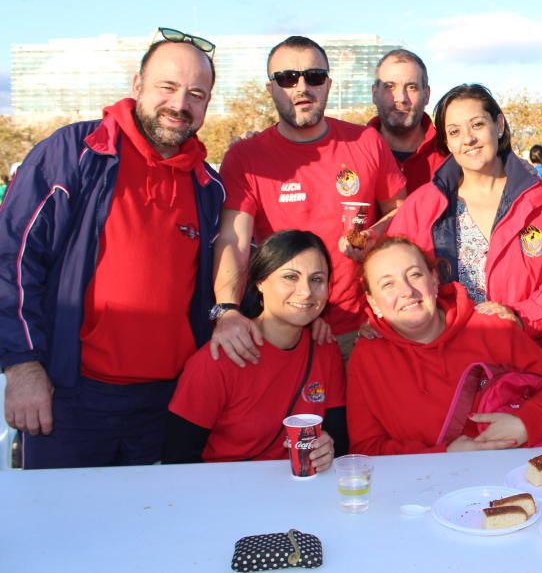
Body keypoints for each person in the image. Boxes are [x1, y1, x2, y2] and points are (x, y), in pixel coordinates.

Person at [0, 30, 224, 469]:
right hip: (70, 398)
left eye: (196, 94)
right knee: (64, 531)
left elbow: (227, 281)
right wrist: (22, 364)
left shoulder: (208, 186)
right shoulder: (75, 153)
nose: (180, 103)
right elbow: (13, 260)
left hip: (167, 403)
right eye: (168, 86)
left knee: (157, 531)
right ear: (137, 85)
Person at [213, 36, 407, 366]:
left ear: (328, 84)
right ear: (271, 88)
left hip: (359, 331)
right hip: (282, 331)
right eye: (288, 78)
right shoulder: (246, 156)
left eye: (314, 77)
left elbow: (402, 211)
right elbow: (234, 240)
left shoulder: (366, 141)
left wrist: (373, 236)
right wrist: (227, 310)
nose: (302, 87)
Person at [347, 236, 542, 455]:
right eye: (388, 284)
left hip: (514, 479)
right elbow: (367, 449)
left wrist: (526, 423)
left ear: (434, 279)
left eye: (415, 275)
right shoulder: (367, 357)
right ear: (372, 301)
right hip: (425, 490)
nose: (407, 291)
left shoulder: (491, 330)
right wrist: (444, 455)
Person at [388, 84, 542, 359]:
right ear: (446, 142)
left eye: (477, 125)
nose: (468, 139)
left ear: (499, 124)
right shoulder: (422, 206)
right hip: (445, 362)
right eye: (455, 132)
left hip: (527, 359)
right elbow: (391, 275)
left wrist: (519, 317)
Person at [163, 230, 345, 468]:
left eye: (317, 279)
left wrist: (327, 448)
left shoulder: (324, 350)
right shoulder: (216, 360)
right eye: (290, 277)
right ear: (260, 281)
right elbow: (177, 460)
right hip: (225, 494)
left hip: (299, 492)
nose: (306, 291)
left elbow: (339, 441)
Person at [367, 49, 445, 191]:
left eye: (411, 87)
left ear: (426, 95)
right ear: (374, 94)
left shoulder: (450, 154)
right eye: (390, 87)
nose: (401, 98)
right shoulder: (355, 152)